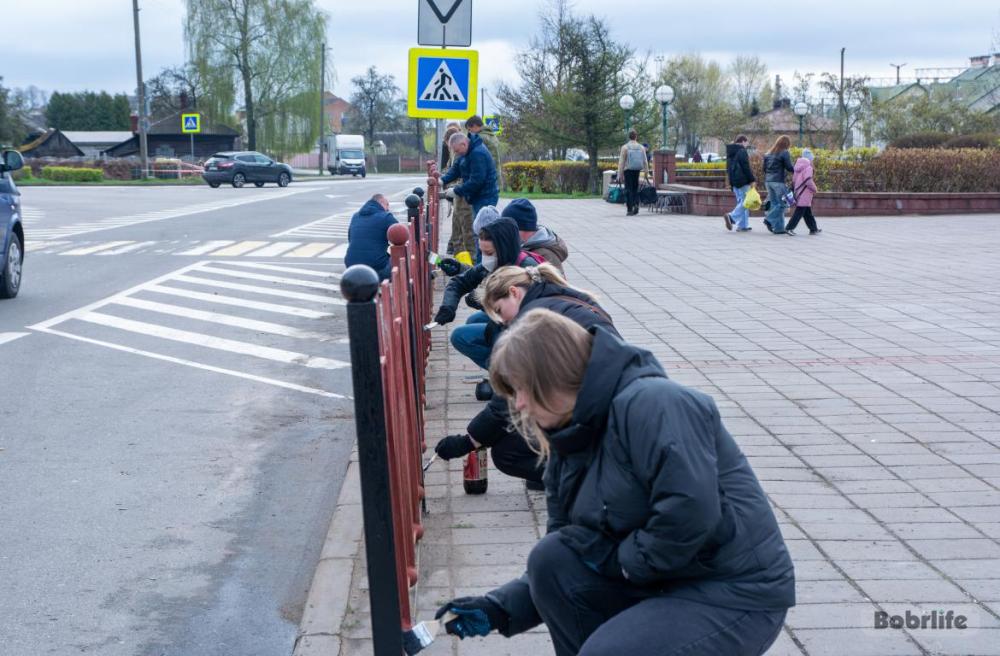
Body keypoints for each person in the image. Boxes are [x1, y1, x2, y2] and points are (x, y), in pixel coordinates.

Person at [434, 310, 796, 655]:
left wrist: (624, 564)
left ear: (552, 375)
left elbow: (690, 511)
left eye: (522, 389)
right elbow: (571, 544)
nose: (521, 405)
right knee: (552, 558)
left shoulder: (654, 404)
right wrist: (500, 608)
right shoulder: (568, 435)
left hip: (730, 590)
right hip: (660, 576)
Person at [433, 264, 616, 488]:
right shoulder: (565, 297)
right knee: (520, 424)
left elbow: (509, 395)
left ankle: (585, 476)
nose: (502, 321)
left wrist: (469, 441)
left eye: (499, 311)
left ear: (514, 292)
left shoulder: (534, 320)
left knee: (508, 452)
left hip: (595, 410)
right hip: (606, 398)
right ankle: (571, 471)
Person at [432, 218, 542, 370]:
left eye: (488, 253)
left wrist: (485, 302)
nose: (485, 258)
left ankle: (507, 374)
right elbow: (460, 282)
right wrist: (448, 307)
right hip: (506, 321)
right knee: (474, 320)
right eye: (481, 252)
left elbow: (527, 314)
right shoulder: (496, 262)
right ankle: (501, 369)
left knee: (459, 336)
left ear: (503, 249)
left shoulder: (526, 270)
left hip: (527, 331)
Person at [441, 131, 499, 221]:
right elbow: (456, 168)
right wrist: (442, 180)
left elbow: (477, 181)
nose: (457, 153)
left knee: (482, 226)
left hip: (485, 197)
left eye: (457, 150)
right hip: (478, 196)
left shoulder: (478, 153)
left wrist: (456, 191)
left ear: (463, 144)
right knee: (478, 225)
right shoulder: (467, 151)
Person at [501, 199, 569, 271]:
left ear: (518, 228)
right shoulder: (523, 244)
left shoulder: (546, 255)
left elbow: (557, 278)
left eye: (507, 228)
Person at [343, 194, 397, 280]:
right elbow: (400, 235)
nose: (388, 209)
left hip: (351, 266)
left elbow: (350, 239)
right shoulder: (386, 217)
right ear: (381, 203)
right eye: (387, 205)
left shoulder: (355, 216)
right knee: (400, 259)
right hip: (376, 267)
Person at [442, 123, 476, 259]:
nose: (454, 151)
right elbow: (453, 169)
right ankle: (459, 256)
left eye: (454, 149)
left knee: (465, 229)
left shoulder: (470, 153)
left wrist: (453, 188)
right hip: (460, 192)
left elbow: (462, 174)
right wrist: (443, 180)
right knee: (459, 227)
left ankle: (468, 260)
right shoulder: (462, 151)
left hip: (464, 195)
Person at [762, 135, 794, 234]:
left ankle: (779, 228)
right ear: (786, 144)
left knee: (775, 204)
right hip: (778, 182)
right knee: (783, 204)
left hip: (768, 182)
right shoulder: (784, 152)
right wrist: (797, 170)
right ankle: (769, 219)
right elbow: (789, 167)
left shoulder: (768, 153)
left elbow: (764, 169)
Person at [786, 149, 822, 236]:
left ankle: (813, 229)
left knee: (807, 212)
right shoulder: (808, 167)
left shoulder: (797, 166)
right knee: (799, 211)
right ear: (810, 158)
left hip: (798, 191)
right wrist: (814, 188)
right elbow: (808, 180)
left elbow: (794, 180)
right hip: (805, 192)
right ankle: (789, 228)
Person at [724, 135, 756, 232]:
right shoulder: (741, 151)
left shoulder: (730, 151)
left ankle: (743, 225)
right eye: (746, 142)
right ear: (743, 141)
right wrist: (752, 179)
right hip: (743, 181)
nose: (747, 145)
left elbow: (728, 169)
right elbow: (746, 167)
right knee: (746, 201)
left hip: (734, 181)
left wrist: (731, 182)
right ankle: (731, 217)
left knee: (741, 202)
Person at [616, 130, 649, 216]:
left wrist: (620, 174)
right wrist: (646, 172)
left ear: (629, 137)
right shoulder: (641, 147)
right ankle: (636, 204)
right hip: (637, 170)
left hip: (628, 170)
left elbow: (621, 162)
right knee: (635, 188)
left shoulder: (625, 147)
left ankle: (630, 209)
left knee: (628, 189)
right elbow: (645, 161)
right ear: (636, 137)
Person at [466, 115, 503, 190]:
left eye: (470, 129)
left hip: (484, 177)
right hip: (495, 175)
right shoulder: (492, 135)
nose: (469, 132)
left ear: (475, 126)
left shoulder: (479, 137)